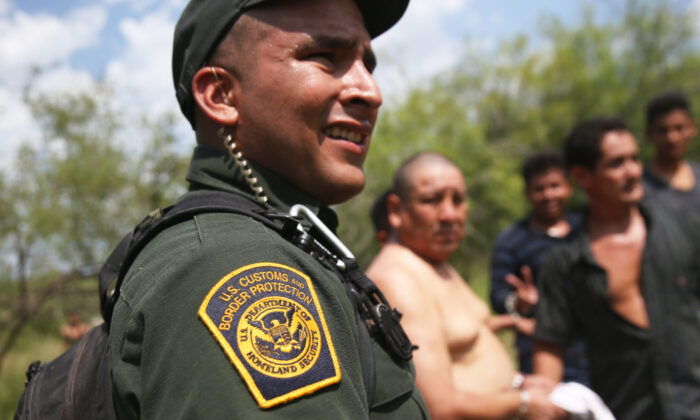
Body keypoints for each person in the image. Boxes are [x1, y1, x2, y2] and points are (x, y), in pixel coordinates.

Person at [108, 0, 430, 418]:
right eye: (324, 57)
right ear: (221, 95)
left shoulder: (287, 238)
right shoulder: (232, 265)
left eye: (367, 64)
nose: (371, 92)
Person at [366, 152, 567, 420]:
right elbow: (438, 407)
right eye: (431, 200)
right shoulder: (397, 277)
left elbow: (466, 340)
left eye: (458, 200)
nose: (449, 214)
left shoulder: (432, 261)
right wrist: (524, 403)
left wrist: (519, 382)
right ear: (395, 211)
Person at [533, 117, 700, 419]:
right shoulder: (565, 262)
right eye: (617, 163)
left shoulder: (682, 224)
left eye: (635, 159)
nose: (634, 171)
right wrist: (544, 402)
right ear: (583, 177)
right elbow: (549, 346)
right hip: (624, 410)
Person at [490, 151, 588, 384]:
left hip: (592, 347)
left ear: (569, 187)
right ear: (527, 193)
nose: (548, 195)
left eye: (555, 186)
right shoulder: (512, 240)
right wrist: (518, 302)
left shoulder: (587, 229)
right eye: (539, 188)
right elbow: (498, 295)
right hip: (539, 347)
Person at [642, 90, 700, 211]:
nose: (672, 138)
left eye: (679, 128)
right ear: (649, 134)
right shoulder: (640, 189)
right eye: (663, 131)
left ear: (692, 128)